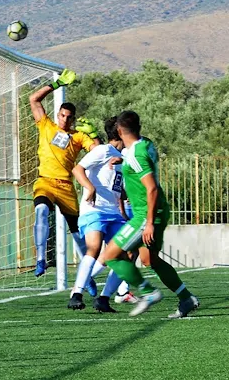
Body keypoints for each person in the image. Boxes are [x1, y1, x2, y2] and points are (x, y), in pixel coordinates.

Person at [102, 110, 199, 318]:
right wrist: (124, 162)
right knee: (149, 259)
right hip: (158, 211)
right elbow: (137, 159)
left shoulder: (136, 155)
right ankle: (186, 299)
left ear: (119, 131)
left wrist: (148, 223)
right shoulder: (145, 144)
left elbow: (151, 188)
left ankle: (148, 292)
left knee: (110, 255)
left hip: (145, 214)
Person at [28, 69, 99, 297]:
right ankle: (41, 259)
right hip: (45, 182)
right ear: (57, 114)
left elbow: (100, 151)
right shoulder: (46, 125)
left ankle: (85, 276)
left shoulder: (78, 137)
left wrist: (94, 133)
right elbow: (33, 99)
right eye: (62, 115)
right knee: (40, 211)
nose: (65, 119)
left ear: (74, 119)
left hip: (66, 186)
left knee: (78, 234)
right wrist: (56, 84)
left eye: (69, 117)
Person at [67, 116, 138, 312]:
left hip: (113, 213)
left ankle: (104, 299)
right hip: (95, 209)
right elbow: (77, 169)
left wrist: (126, 198)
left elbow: (116, 186)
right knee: (95, 247)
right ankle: (77, 294)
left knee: (124, 255)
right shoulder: (103, 150)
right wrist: (90, 188)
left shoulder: (120, 156)